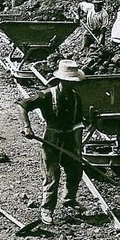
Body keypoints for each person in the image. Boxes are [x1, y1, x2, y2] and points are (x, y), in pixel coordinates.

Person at [19, 60, 86, 225]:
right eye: (69, 82)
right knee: (52, 175)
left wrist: (78, 148)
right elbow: (23, 106)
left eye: (74, 82)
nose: (72, 85)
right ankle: (47, 209)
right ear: (62, 80)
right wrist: (27, 127)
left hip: (70, 139)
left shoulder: (76, 98)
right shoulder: (47, 95)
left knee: (76, 170)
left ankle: (69, 199)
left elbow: (78, 125)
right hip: (52, 139)